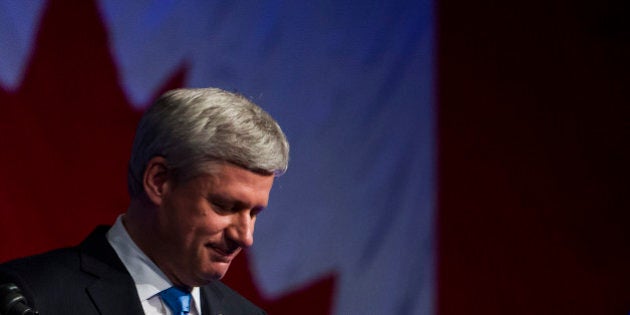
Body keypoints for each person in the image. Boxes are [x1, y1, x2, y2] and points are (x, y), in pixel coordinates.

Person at [0, 87, 289, 315]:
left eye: (254, 213)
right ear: (158, 181)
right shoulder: (25, 297)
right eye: (225, 206)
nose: (245, 236)